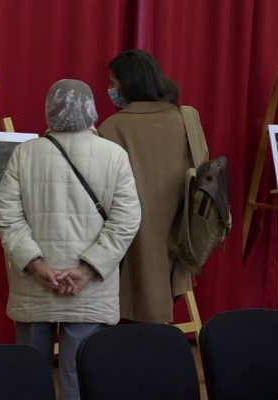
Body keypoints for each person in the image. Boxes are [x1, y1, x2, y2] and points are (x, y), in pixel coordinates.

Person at [0, 79, 141, 400]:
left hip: (35, 284)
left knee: (31, 376)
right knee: (79, 378)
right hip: (90, 287)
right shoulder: (114, 155)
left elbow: (6, 215)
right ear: (92, 110)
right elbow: (126, 220)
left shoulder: (24, 154)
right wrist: (87, 270)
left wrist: (37, 266)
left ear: (49, 109)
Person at [98, 49, 196, 324]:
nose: (110, 90)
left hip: (130, 239)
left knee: (131, 315)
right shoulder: (186, 119)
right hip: (181, 233)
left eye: (113, 83)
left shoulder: (112, 127)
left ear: (128, 84)